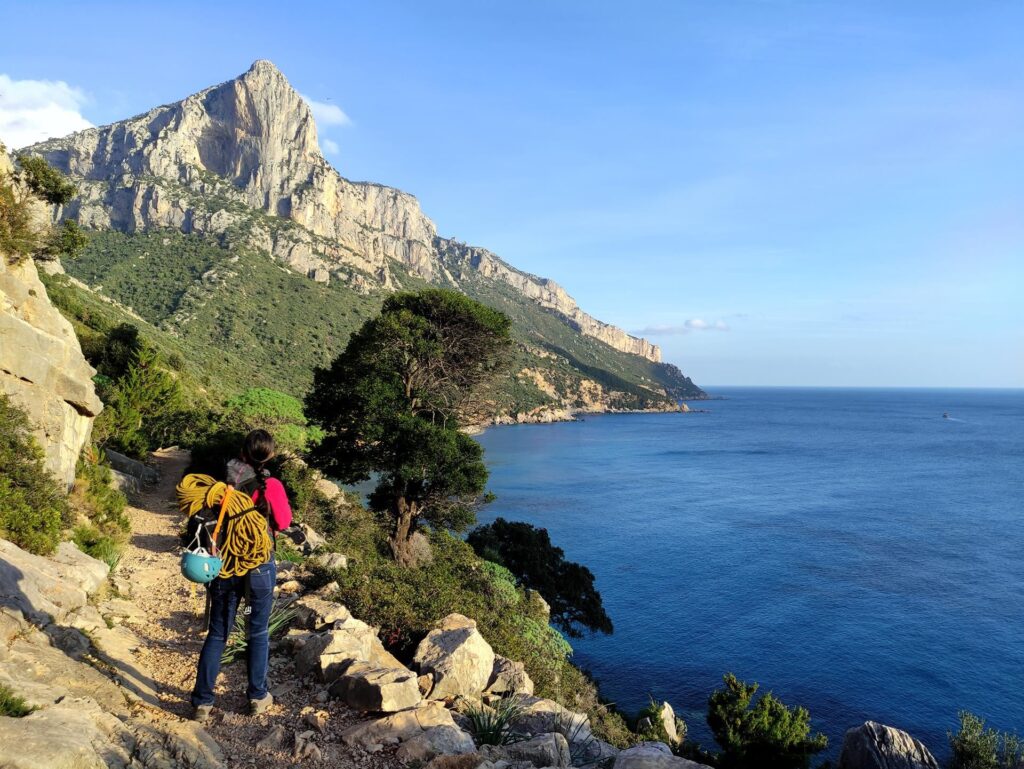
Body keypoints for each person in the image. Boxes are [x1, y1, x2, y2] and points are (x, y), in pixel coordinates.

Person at [190, 429, 292, 722]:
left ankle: (202, 702)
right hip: (259, 566)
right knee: (257, 632)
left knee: (219, 632)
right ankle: (258, 697)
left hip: (225, 566)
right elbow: (284, 522)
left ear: (242, 452)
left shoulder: (222, 485)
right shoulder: (270, 485)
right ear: (270, 455)